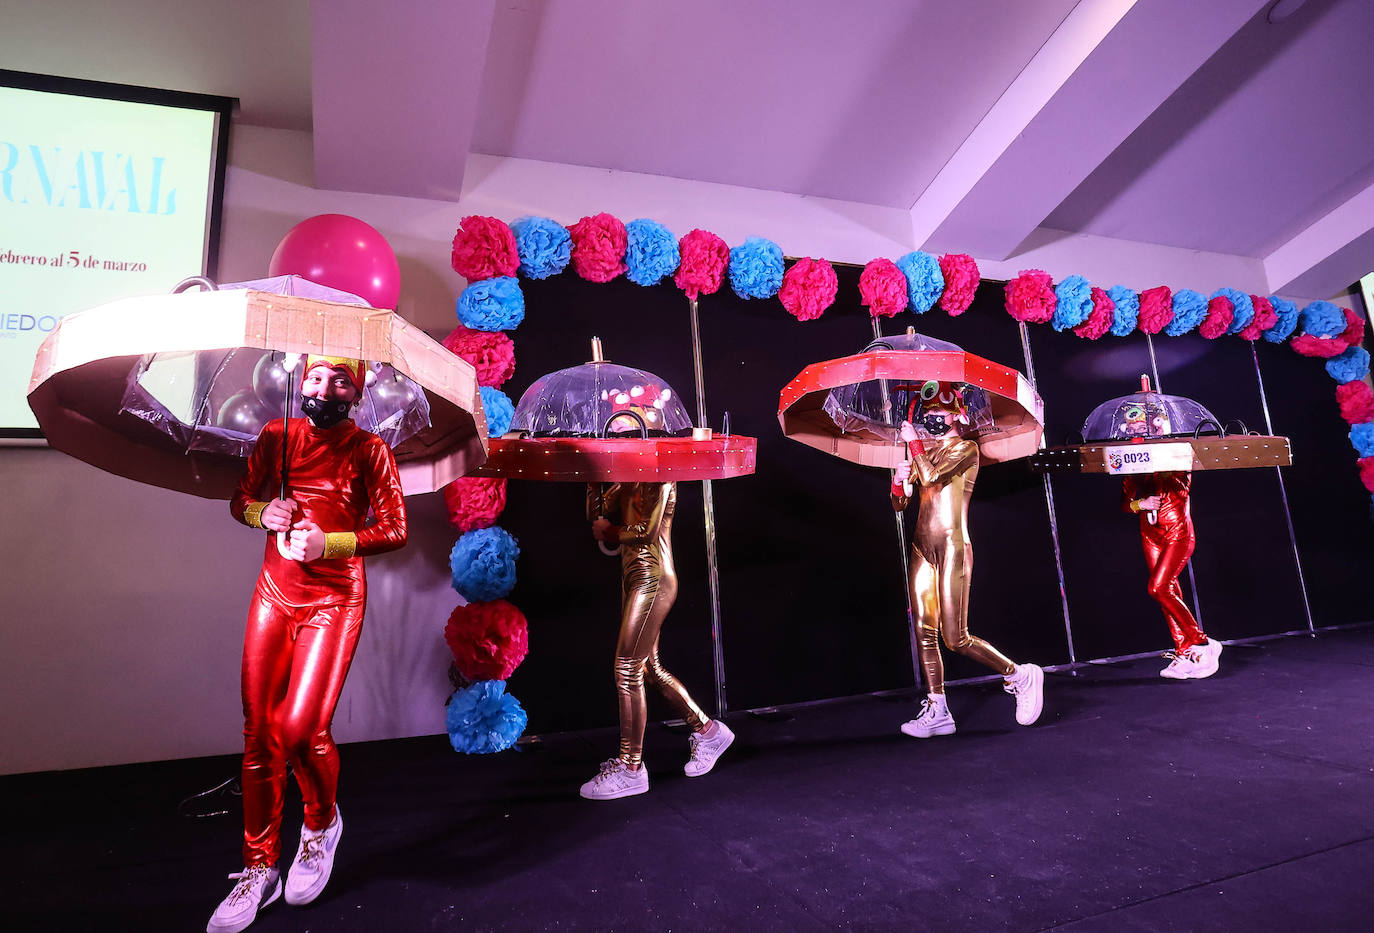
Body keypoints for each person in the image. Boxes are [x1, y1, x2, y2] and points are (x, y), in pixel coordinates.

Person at [207, 355, 407, 933]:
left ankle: (320, 826)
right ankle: (257, 866)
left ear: (357, 390)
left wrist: (333, 542)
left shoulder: (371, 449)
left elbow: (394, 527)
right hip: (275, 591)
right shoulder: (277, 435)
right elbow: (240, 500)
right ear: (301, 382)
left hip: (333, 598)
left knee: (299, 729)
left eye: (340, 379)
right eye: (316, 376)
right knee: (258, 730)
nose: (325, 387)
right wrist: (261, 512)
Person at [891, 382, 1044, 739]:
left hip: (952, 547)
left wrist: (913, 443)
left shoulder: (966, 449)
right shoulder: (923, 453)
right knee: (923, 632)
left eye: (938, 414)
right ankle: (938, 708)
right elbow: (900, 505)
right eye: (927, 415)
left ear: (957, 413)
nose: (932, 420)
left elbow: (929, 476)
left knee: (955, 637)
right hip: (921, 548)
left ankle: (1019, 674)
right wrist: (899, 483)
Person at [579, 480, 734, 799]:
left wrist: (609, 533)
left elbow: (646, 531)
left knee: (626, 669)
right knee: (649, 668)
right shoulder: (629, 479)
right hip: (634, 580)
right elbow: (597, 513)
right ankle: (709, 732)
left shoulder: (661, 479)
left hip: (654, 581)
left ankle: (631, 768)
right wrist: (592, 482)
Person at [1120, 408, 1222, 680]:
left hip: (1178, 533)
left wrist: (1156, 456)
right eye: (1131, 431)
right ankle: (1184, 650)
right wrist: (1139, 503)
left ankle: (1202, 642)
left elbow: (1179, 485)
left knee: (1158, 587)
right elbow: (1125, 504)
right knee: (1167, 593)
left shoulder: (1176, 455)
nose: (1136, 434)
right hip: (1150, 535)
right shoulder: (1133, 466)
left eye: (1141, 429)